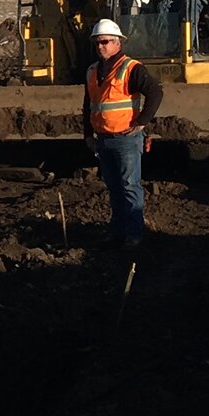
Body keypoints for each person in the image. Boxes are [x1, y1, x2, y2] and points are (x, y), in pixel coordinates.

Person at [82, 18, 164, 252]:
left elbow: (155, 93)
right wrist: (88, 134)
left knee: (129, 185)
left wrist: (141, 122)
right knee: (114, 187)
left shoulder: (131, 68)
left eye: (105, 42)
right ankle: (117, 231)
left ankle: (134, 234)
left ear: (118, 43)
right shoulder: (92, 71)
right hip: (103, 138)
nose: (101, 47)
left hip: (126, 138)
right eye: (97, 43)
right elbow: (89, 104)